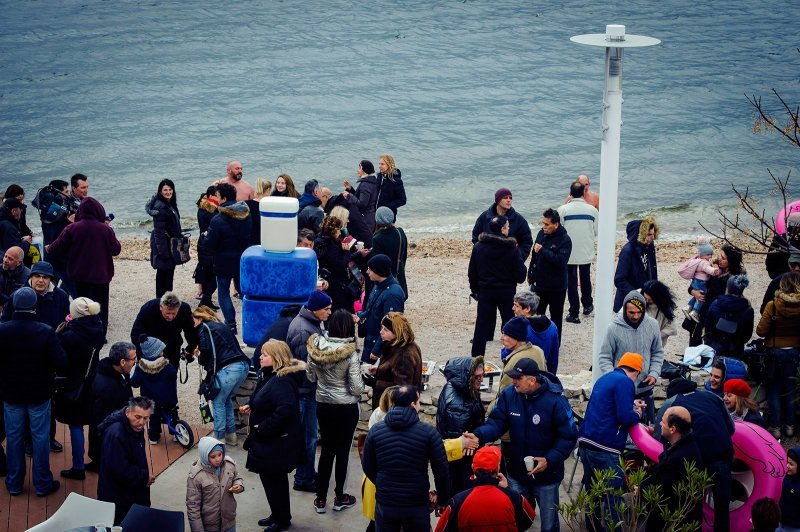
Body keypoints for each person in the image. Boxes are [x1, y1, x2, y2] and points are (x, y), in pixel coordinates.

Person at [469, 358, 577, 532]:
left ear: (532, 380)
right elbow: (497, 423)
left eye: (518, 378)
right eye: (512, 377)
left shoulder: (556, 401)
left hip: (546, 477)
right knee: (517, 521)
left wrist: (549, 460)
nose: (513, 382)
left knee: (549, 526)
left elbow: (569, 436)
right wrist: (477, 435)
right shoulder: (510, 394)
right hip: (517, 473)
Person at [0, 287, 66, 497]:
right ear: (34, 306)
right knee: (40, 438)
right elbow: (61, 362)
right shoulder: (45, 331)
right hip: (39, 393)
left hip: (11, 393)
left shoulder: (3, 330)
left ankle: (14, 482)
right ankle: (43, 483)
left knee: (14, 437)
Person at [362, 385, 450, 530]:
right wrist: (442, 498)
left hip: (386, 503)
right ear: (412, 405)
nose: (420, 405)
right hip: (416, 503)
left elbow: (367, 465)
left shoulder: (375, 431)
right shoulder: (429, 433)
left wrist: (383, 483)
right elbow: (441, 471)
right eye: (419, 402)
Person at [243, 340, 306, 532]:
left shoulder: (281, 381)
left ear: (276, 358)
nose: (260, 357)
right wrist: (252, 406)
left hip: (275, 443)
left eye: (265, 354)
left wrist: (262, 427)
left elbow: (286, 410)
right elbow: (267, 399)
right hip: (268, 442)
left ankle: (282, 519)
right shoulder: (270, 375)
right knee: (271, 481)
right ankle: (277, 514)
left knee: (275, 482)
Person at [306, 309, 364, 513]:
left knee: (326, 452)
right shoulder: (350, 353)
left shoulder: (317, 348)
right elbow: (357, 388)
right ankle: (340, 497)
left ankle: (320, 499)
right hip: (346, 408)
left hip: (323, 405)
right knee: (343, 453)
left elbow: (311, 377)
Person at [578, 353, 645, 529]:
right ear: (636, 372)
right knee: (611, 499)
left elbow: (608, 407)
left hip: (586, 443)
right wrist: (638, 412)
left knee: (592, 493)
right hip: (605, 447)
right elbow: (625, 417)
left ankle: (592, 528)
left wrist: (631, 403)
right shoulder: (626, 382)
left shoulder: (605, 379)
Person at [45, 196, 121, 339]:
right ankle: (100, 333)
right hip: (101, 275)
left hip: (80, 275)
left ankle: (84, 332)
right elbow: (116, 250)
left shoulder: (72, 228)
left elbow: (57, 247)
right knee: (101, 305)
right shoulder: (105, 229)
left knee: (83, 304)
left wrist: (48, 248)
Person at [53, 297, 104, 480]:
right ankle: (96, 459)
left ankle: (78, 466)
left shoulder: (70, 336)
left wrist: (58, 335)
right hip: (92, 380)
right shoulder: (98, 328)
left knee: (75, 425)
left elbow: (61, 360)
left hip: (75, 383)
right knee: (92, 421)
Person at [286, 290, 332, 492]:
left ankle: (305, 472)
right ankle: (303, 478)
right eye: (326, 309)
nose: (330, 312)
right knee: (308, 437)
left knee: (309, 436)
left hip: (306, 390)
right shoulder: (305, 332)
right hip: (306, 392)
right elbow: (308, 369)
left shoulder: (308, 323)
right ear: (314, 310)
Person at [671, 388, 735, 531]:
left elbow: (676, 438)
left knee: (694, 505)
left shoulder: (676, 403)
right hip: (723, 453)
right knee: (722, 506)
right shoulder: (711, 396)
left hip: (702, 457)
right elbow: (731, 428)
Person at [434, 445, 536, 532]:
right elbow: (528, 521)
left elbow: (441, 529)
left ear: (473, 467)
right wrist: (507, 489)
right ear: (497, 469)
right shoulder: (514, 497)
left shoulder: (458, 501)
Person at [597, 290, 664, 422]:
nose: (635, 316)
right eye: (631, 312)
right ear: (624, 309)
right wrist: (615, 380)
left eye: (639, 312)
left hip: (645, 387)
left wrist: (654, 373)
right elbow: (605, 357)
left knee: (647, 430)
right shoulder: (613, 328)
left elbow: (657, 352)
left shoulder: (653, 325)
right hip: (621, 390)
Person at [468, 215, 527, 358]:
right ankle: (513, 357)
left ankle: (476, 359)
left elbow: (472, 273)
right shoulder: (511, 249)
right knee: (510, 326)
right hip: (506, 292)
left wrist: (475, 290)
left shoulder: (479, 247)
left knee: (481, 327)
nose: (509, 229)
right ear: (502, 229)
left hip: (486, 291)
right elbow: (520, 275)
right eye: (507, 226)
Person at [193, 305, 250, 444]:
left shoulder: (204, 328)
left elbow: (205, 350)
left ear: (200, 318)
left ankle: (219, 438)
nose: (192, 324)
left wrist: (199, 357)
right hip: (242, 366)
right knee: (227, 400)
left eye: (193, 320)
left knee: (218, 402)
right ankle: (231, 436)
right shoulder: (221, 325)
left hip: (228, 368)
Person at [641, 406, 704, 532]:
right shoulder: (689, 445)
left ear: (672, 429)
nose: (660, 424)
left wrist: (641, 486)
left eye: (663, 421)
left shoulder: (677, 458)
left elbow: (659, 493)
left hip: (671, 523)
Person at [97, 396, 156, 525]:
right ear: (127, 412)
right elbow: (119, 469)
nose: (142, 422)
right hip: (118, 497)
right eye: (138, 417)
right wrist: (144, 477)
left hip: (129, 492)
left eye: (146, 418)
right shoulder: (116, 434)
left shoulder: (133, 427)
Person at [757, 272, 800, 439]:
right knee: (790, 390)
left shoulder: (773, 305)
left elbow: (761, 331)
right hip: (795, 352)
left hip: (774, 352)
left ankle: (775, 427)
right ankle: (790, 426)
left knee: (774, 390)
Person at [436, 356, 486, 495]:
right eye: (477, 377)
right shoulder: (458, 403)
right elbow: (463, 441)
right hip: (461, 462)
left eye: (482, 376)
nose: (481, 380)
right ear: (466, 377)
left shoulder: (462, 390)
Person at [205, 182, 251, 334]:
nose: (217, 199)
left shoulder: (218, 220)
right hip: (242, 259)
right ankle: (250, 319)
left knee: (223, 292)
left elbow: (211, 243)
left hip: (223, 261)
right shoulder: (246, 215)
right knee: (244, 292)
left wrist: (205, 238)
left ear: (223, 198)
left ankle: (231, 324)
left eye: (218, 196)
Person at [87, 342, 135, 472]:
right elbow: (101, 420)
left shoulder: (116, 371)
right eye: (133, 359)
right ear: (123, 362)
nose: (135, 362)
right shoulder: (106, 386)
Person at [689, 245, 746, 346]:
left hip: (719, 315)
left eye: (723, 258)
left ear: (731, 261)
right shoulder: (709, 267)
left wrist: (714, 275)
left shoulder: (734, 279)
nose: (719, 259)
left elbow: (718, 294)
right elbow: (695, 283)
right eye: (720, 255)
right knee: (695, 341)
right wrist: (693, 291)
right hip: (701, 310)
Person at [528, 208, 572, 339]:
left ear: (556, 224)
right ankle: (537, 340)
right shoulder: (541, 234)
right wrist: (530, 273)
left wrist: (543, 251)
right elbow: (534, 255)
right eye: (543, 223)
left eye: (547, 224)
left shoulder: (565, 239)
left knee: (556, 317)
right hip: (540, 284)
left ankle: (554, 344)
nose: (544, 227)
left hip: (556, 286)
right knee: (537, 314)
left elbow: (561, 261)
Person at [185, 436, 244, 532]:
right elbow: (193, 507)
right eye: (213, 457)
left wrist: (239, 485)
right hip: (210, 525)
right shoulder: (196, 476)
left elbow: (237, 477)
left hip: (229, 520)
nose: (218, 459)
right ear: (205, 456)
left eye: (220, 454)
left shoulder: (229, 464)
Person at [558, 180, 598, 322]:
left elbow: (559, 230)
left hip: (569, 251)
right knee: (585, 278)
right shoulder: (592, 210)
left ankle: (574, 311)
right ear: (583, 193)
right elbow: (596, 230)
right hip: (586, 249)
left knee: (572, 281)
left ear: (570, 193)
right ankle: (587, 305)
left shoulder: (563, 210)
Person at [368, 312, 423, 410]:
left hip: (393, 411)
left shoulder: (404, 355)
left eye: (386, 329)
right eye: (382, 328)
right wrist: (379, 371)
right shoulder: (400, 347)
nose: (381, 332)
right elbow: (394, 371)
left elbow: (402, 389)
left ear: (396, 333)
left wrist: (376, 383)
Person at [130, 335, 178, 445]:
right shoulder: (167, 366)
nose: (162, 352)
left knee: (153, 418)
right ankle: (175, 432)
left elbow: (135, 383)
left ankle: (153, 437)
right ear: (156, 352)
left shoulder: (140, 367)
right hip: (168, 398)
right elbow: (173, 375)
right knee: (172, 414)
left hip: (150, 399)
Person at [33, 178, 78, 296]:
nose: (68, 194)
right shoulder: (56, 212)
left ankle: (53, 308)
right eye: (66, 191)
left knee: (51, 287)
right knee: (72, 287)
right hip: (60, 256)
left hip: (50, 254)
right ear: (59, 192)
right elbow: (60, 232)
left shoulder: (48, 211)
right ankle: (82, 311)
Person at [357, 254, 406, 360]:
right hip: (370, 341)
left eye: (370, 269)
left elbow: (391, 325)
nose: (367, 272)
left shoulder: (392, 294)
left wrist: (377, 350)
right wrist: (359, 316)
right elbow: (371, 309)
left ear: (379, 271)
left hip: (379, 347)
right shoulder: (378, 285)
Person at [130, 291, 198, 368]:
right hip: (151, 349)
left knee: (171, 375)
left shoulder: (184, 309)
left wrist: (191, 348)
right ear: (161, 307)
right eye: (168, 313)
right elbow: (136, 333)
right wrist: (140, 354)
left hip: (173, 347)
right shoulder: (148, 309)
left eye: (174, 313)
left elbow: (190, 332)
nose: (170, 317)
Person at [1, 260, 69, 328]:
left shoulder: (61, 296)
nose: (41, 280)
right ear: (31, 277)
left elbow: (67, 321)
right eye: (37, 276)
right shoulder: (17, 295)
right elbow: (4, 322)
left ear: (50, 279)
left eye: (45, 277)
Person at [471, 187, 533, 261]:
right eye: (505, 198)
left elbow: (527, 241)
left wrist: (518, 258)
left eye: (510, 198)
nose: (509, 200)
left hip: (510, 263)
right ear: (498, 200)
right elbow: (476, 236)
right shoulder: (485, 217)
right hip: (488, 261)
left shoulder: (519, 219)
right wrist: (483, 254)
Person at [145, 178, 184, 297]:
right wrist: (163, 253)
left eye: (170, 189)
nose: (168, 192)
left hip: (170, 245)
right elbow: (159, 233)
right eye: (165, 190)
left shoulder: (170, 204)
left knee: (168, 274)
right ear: (160, 192)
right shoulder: (160, 208)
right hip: (164, 246)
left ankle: (167, 300)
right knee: (163, 275)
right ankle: (161, 302)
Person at [613, 216, 659, 311]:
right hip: (628, 302)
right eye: (649, 234)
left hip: (645, 301)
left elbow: (652, 273)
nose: (653, 238)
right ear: (641, 234)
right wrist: (638, 294)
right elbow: (619, 280)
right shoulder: (627, 251)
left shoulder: (649, 247)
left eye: (653, 234)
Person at [313, 215, 358, 311]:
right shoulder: (330, 246)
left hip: (327, 281)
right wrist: (346, 251)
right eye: (339, 230)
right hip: (335, 286)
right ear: (335, 231)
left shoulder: (320, 240)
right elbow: (340, 266)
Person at [704, 274, 755, 358]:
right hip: (736, 349)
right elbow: (747, 333)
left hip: (715, 348)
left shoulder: (716, 304)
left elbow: (708, 327)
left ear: (727, 288)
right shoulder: (748, 309)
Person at [513, 290, 560, 373]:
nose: (513, 308)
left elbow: (508, 355)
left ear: (527, 309)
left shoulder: (520, 327)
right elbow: (554, 358)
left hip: (523, 377)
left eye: (516, 306)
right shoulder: (553, 326)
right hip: (544, 375)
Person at [497, 316, 546, 390]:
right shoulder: (538, 351)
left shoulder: (515, 359)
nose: (501, 338)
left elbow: (504, 392)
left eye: (505, 334)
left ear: (516, 337)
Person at [678, 237, 720, 322]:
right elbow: (707, 269)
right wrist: (714, 270)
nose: (710, 256)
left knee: (696, 296)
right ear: (703, 254)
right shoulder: (703, 262)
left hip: (695, 282)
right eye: (708, 255)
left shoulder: (697, 260)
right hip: (701, 282)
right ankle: (695, 311)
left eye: (711, 254)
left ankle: (688, 307)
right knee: (702, 296)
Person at [371, 206, 408, 299]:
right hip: (398, 272)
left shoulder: (377, 238)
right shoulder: (400, 232)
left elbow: (377, 262)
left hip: (385, 276)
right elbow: (404, 255)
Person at [195, 185, 219, 309]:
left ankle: (206, 300)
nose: (218, 197)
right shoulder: (211, 211)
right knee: (215, 274)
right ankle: (205, 299)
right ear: (210, 196)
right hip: (208, 245)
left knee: (209, 273)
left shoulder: (203, 208)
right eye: (216, 195)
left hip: (203, 243)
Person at [343, 160, 380, 231]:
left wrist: (349, 195)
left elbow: (362, 204)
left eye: (359, 168)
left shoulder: (365, 185)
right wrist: (350, 189)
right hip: (370, 217)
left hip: (365, 219)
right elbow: (362, 199)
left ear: (364, 170)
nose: (357, 170)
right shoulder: (371, 182)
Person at [641, 280, 678, 348]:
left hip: (654, 346)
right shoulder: (636, 297)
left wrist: (655, 337)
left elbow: (670, 328)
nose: (647, 301)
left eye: (650, 299)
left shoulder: (665, 306)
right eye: (645, 298)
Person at [0, 246, 30, 311]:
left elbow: (16, 299)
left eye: (10, 259)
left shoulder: (26, 276)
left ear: (19, 262)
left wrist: (4, 306)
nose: (5, 260)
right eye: (5, 256)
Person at [781, 447, 800, 531]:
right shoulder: (790, 475)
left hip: (794, 526)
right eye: (787, 462)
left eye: (791, 464)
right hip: (781, 520)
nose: (787, 466)